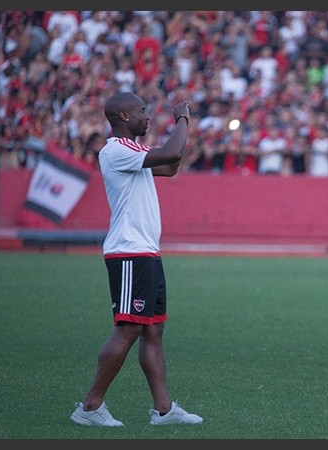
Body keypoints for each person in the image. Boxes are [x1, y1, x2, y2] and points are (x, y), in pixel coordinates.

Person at [70, 92, 203, 426]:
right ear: (125, 117)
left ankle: (164, 409)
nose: (147, 116)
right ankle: (89, 407)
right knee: (128, 329)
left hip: (145, 251)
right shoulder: (117, 150)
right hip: (129, 251)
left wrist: (182, 135)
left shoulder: (133, 151)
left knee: (153, 331)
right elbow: (172, 152)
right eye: (142, 112)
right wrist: (182, 119)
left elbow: (170, 167)